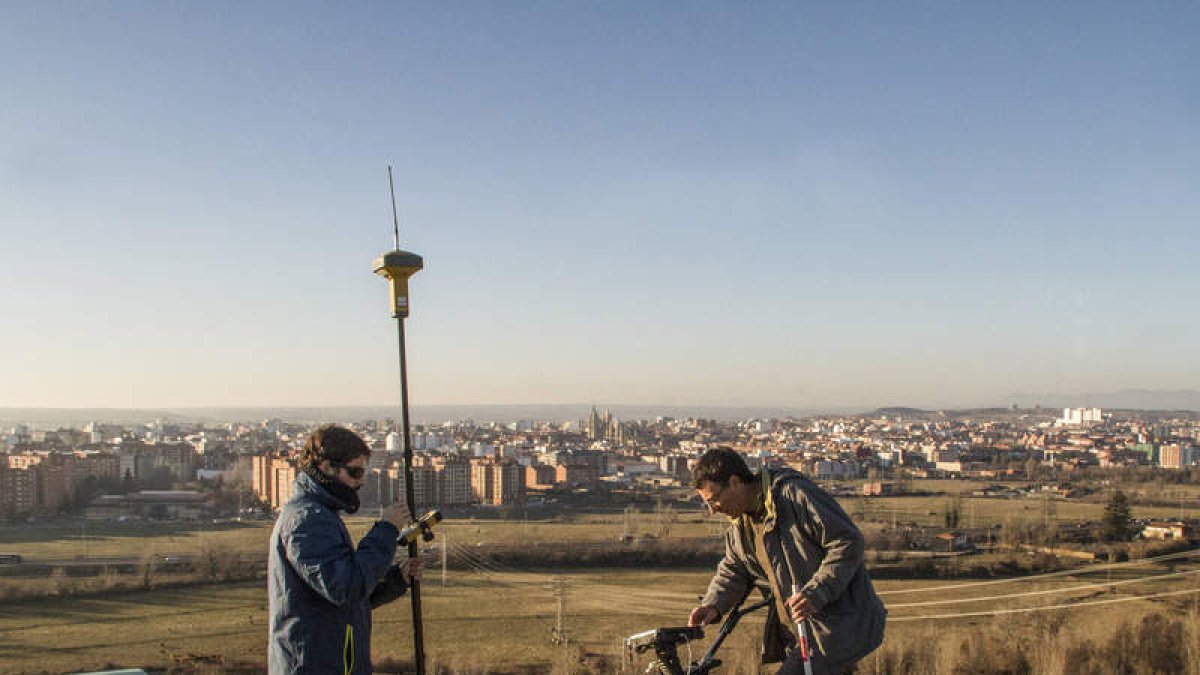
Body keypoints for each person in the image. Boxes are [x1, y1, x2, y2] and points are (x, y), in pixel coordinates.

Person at [687, 447, 885, 675]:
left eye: (714, 500)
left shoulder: (794, 496)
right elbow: (736, 569)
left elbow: (847, 542)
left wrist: (816, 593)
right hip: (801, 633)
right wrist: (713, 604)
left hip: (839, 626)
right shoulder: (741, 524)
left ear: (734, 482)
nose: (712, 510)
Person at [268, 424, 423, 675]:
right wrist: (386, 529)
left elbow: (340, 599)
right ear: (327, 467)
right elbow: (347, 589)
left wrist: (396, 580)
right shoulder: (307, 521)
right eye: (355, 472)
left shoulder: (320, 515)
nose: (360, 481)